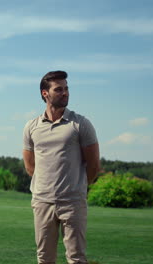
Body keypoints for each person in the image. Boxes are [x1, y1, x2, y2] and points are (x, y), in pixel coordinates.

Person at [22, 71, 100, 264]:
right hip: (42, 201)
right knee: (44, 258)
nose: (65, 93)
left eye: (66, 89)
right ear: (45, 94)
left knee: (76, 258)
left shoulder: (80, 124)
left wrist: (77, 187)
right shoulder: (32, 127)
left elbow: (94, 165)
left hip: (72, 202)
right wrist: (45, 188)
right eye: (59, 89)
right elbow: (30, 165)